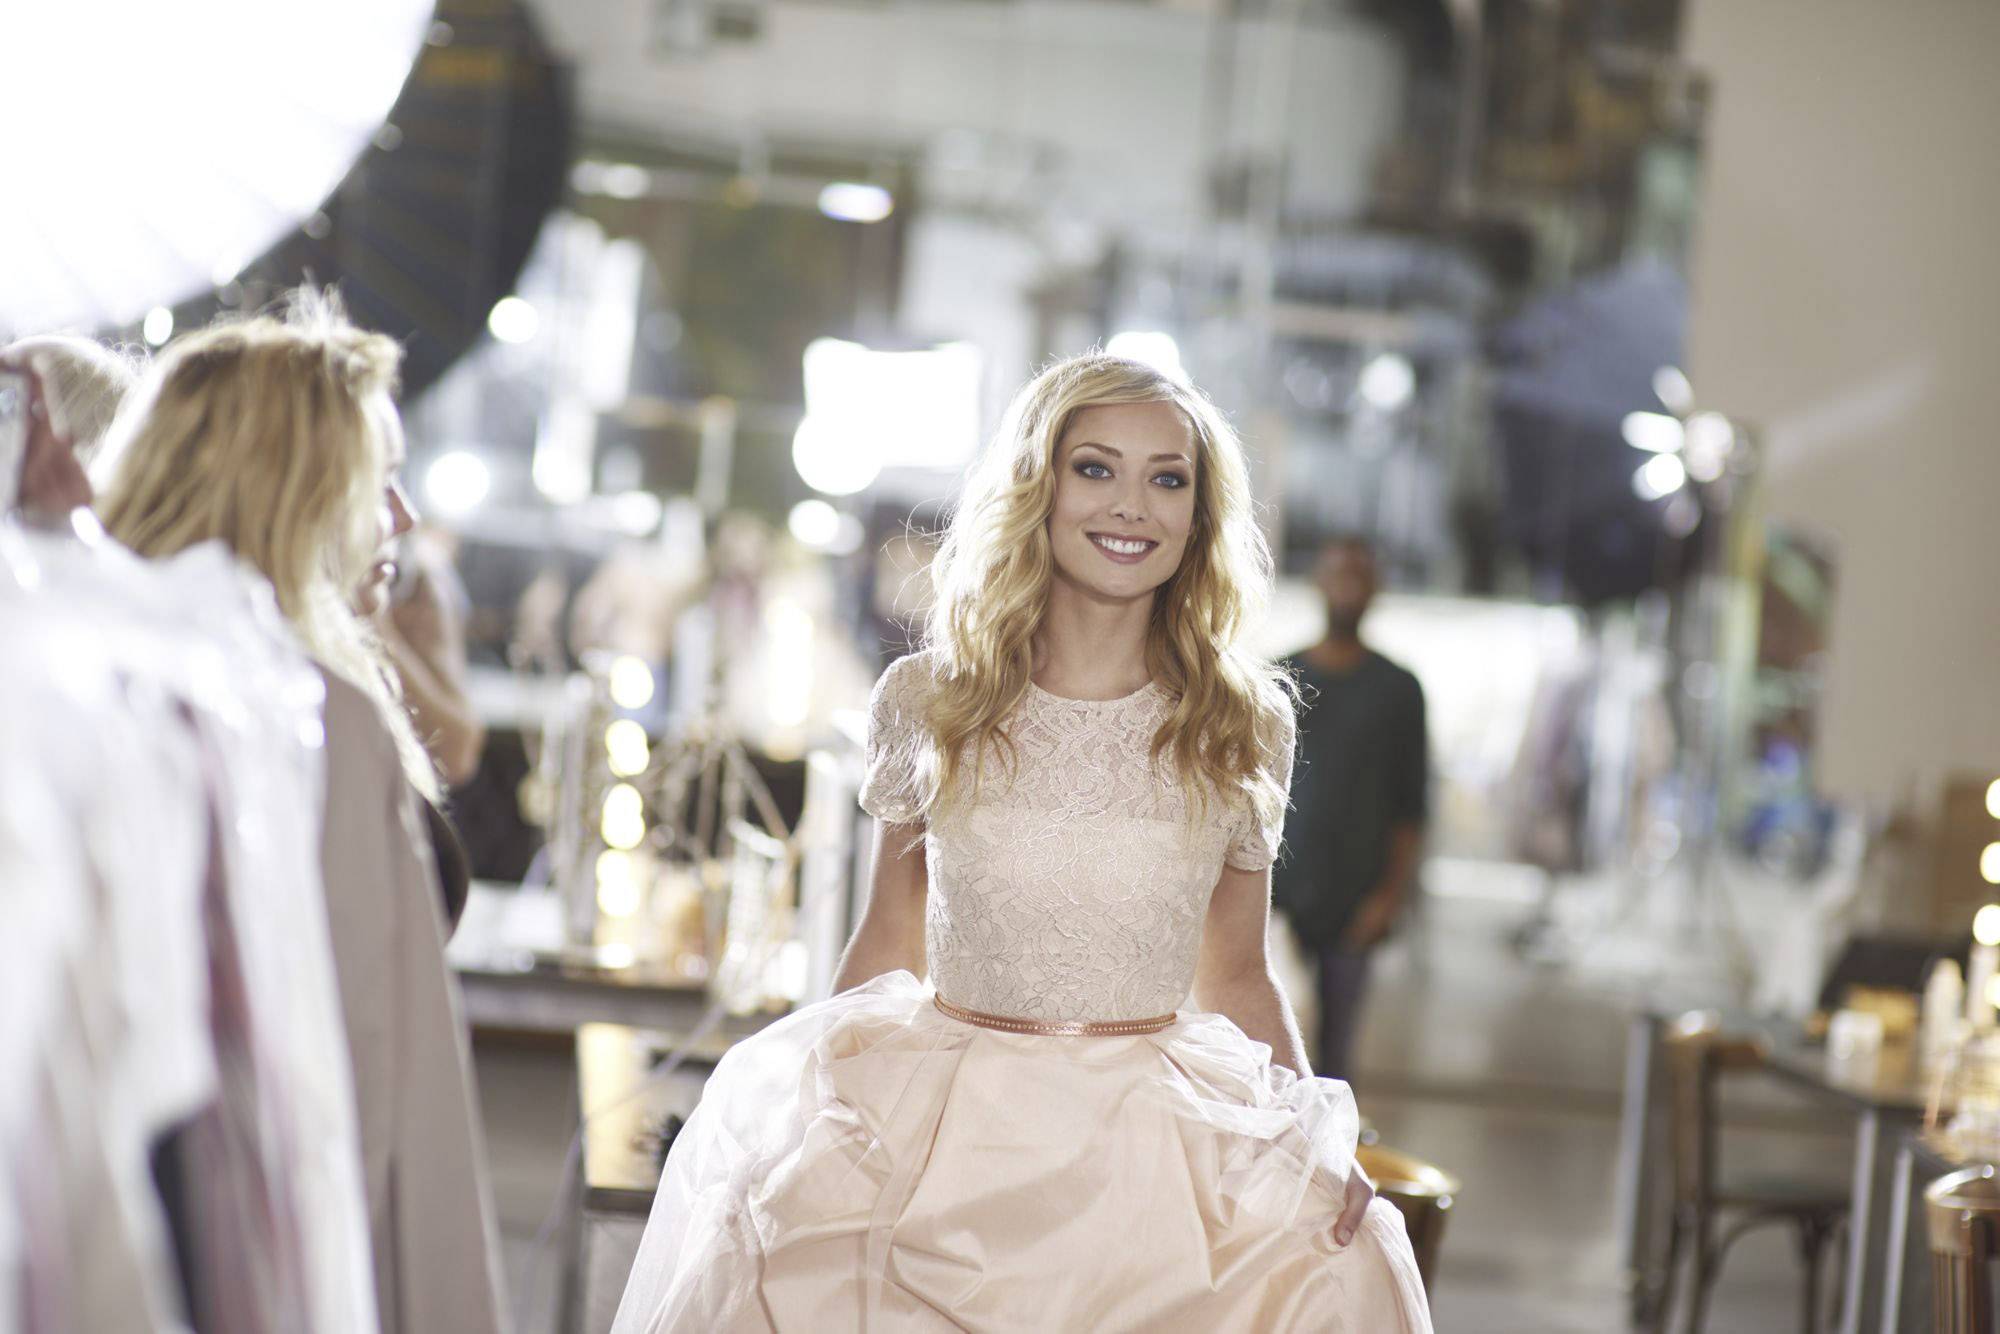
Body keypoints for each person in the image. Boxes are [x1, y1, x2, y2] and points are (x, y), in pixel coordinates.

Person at [612, 354, 1432, 1331]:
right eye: (1095, 467)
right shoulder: (928, 701)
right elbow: (891, 930)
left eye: (1166, 478)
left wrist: (1312, 1135)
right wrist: (816, 1110)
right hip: (951, 1134)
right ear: (1036, 486)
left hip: (1150, 1154)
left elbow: (1237, 968)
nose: (1131, 505)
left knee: (1335, 1267)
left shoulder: (1240, 722)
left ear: (1198, 514)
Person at [95, 292, 507, 1334]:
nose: (403, 521)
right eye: (381, 481)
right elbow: (364, 1079)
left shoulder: (117, 682)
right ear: (295, 489)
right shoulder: (316, 720)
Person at [1274, 536, 1428, 1082]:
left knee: (1335, 1059)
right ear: (1318, 582)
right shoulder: (1279, 679)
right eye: (1337, 574)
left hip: (1356, 898)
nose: (1346, 588)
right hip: (1279, 896)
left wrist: (1389, 897)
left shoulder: (1397, 689)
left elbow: (1411, 804)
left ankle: (1332, 1161)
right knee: (1272, 1049)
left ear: (1374, 592)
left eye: (1358, 578)